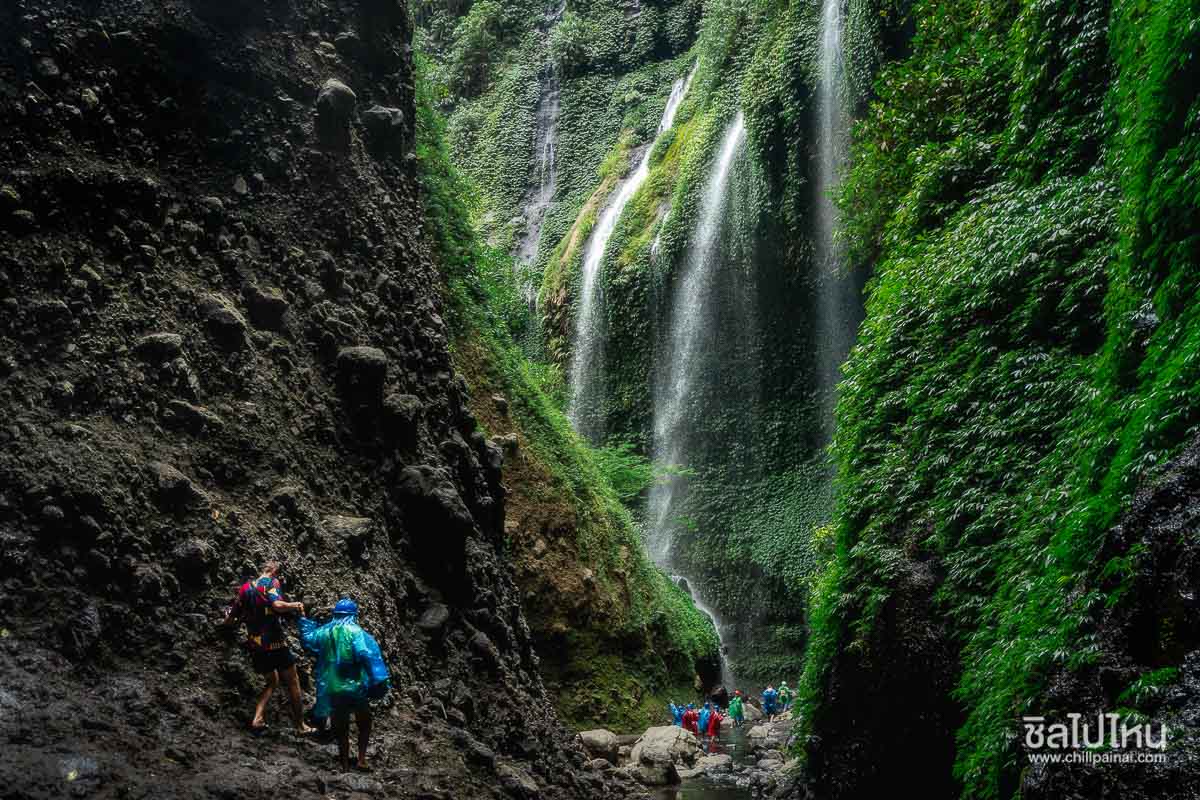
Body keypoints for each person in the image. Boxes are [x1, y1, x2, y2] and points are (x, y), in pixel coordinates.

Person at [222, 560, 314, 734]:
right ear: (274, 572)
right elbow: (277, 605)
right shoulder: (271, 582)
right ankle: (301, 725)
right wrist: (295, 605)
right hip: (275, 642)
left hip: (256, 645)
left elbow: (230, 619)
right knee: (293, 681)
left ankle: (257, 718)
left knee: (272, 681)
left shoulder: (244, 589)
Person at [299, 598, 391, 771]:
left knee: (341, 729)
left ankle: (344, 766)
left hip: (333, 687)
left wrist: (304, 619)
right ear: (354, 615)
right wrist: (375, 678)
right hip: (355, 687)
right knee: (364, 722)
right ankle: (362, 759)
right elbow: (363, 654)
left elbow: (308, 641)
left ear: (335, 614)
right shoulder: (355, 631)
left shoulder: (324, 631)